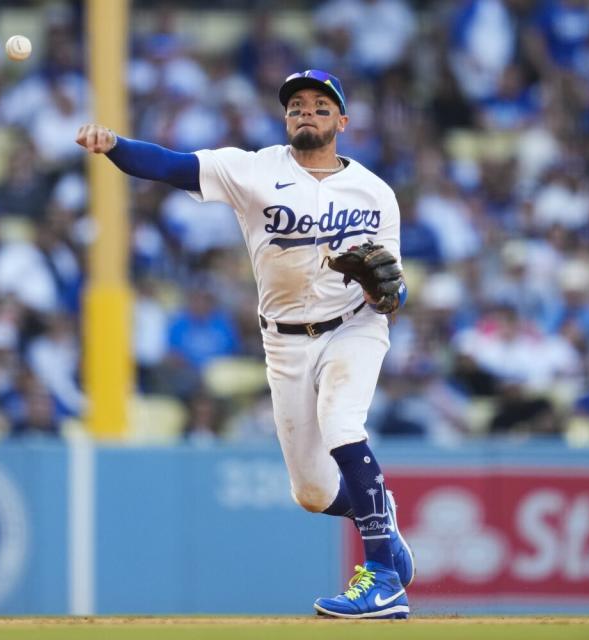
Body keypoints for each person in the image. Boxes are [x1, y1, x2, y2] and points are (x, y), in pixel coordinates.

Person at [76, 69, 413, 619]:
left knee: (342, 423)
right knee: (311, 492)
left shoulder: (375, 193)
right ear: (286, 118)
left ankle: (381, 578)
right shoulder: (254, 170)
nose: (307, 111)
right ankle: (380, 514)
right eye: (297, 105)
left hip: (353, 327)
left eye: (320, 106)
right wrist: (114, 146)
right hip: (284, 340)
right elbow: (170, 164)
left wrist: (388, 290)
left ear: (342, 122)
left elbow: (393, 291)